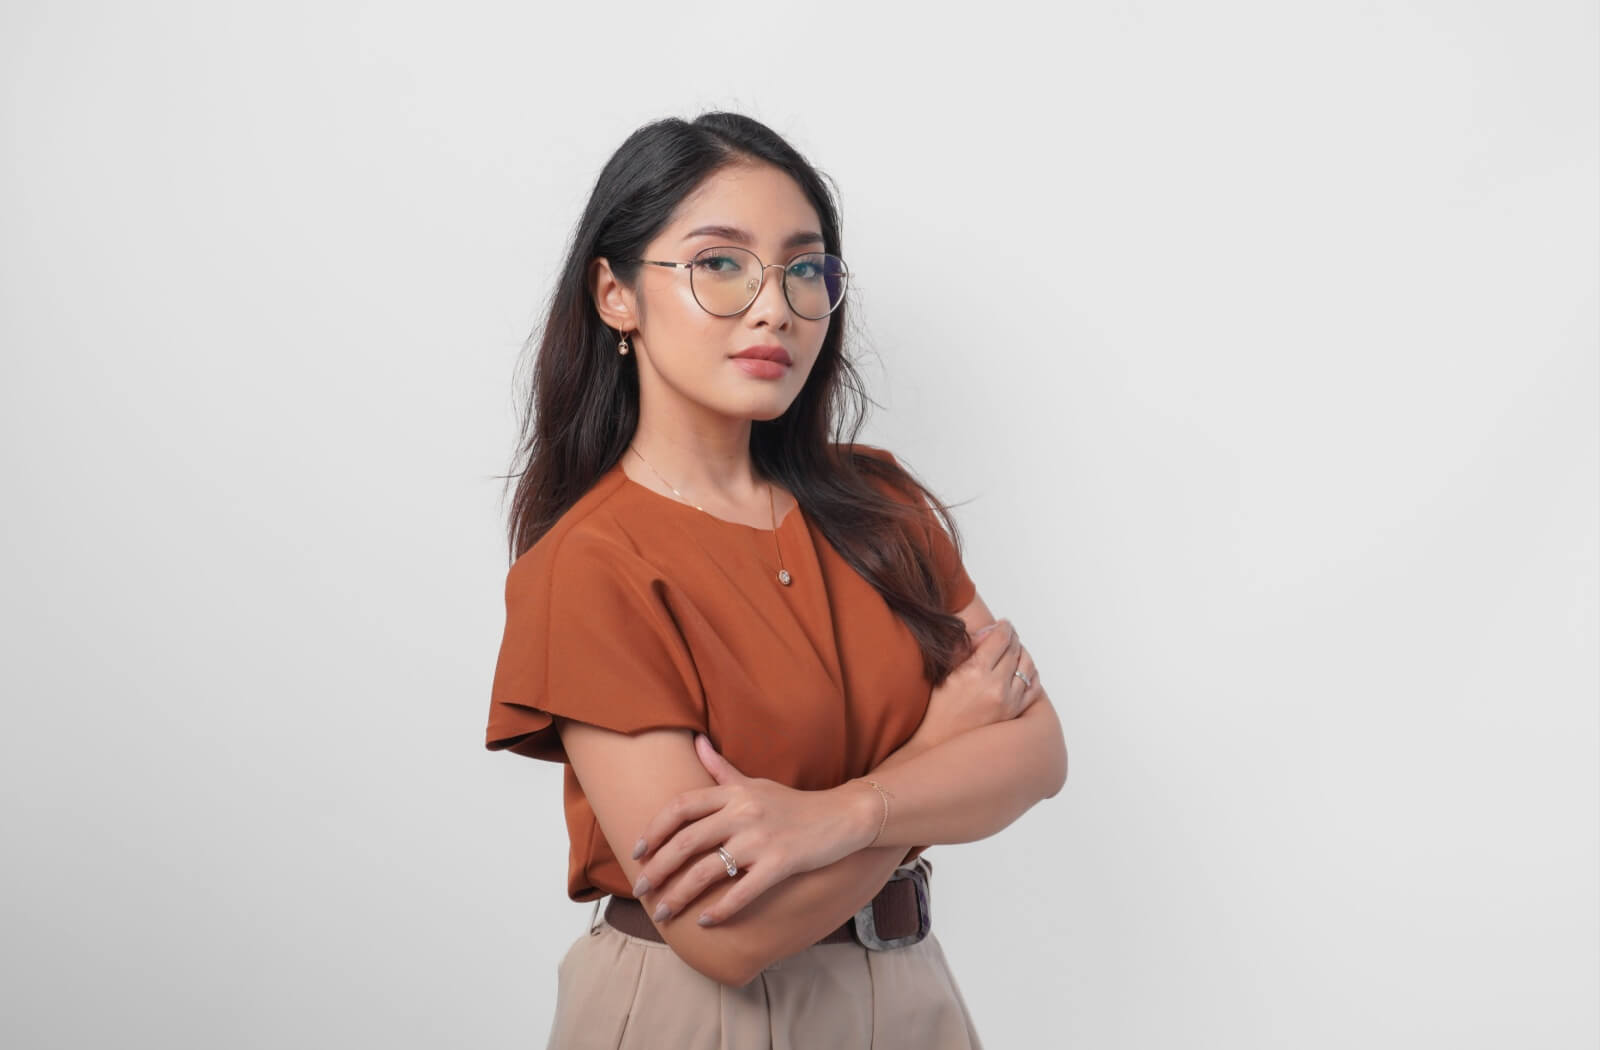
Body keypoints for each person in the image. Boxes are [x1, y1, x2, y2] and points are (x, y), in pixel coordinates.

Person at [484, 111, 1068, 1049]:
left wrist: (834, 819)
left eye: (804, 269)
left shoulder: (877, 502)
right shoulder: (589, 566)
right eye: (719, 262)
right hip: (699, 1015)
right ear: (616, 294)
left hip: (915, 996)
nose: (774, 306)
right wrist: (939, 752)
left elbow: (1038, 755)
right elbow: (729, 930)